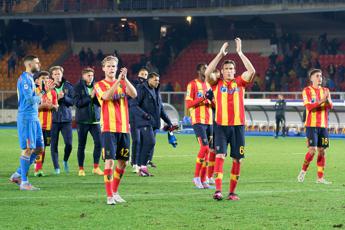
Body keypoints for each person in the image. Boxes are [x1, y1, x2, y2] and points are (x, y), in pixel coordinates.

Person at [205, 38, 256, 201]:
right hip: (220, 126)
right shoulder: (216, 83)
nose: (228, 71)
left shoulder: (240, 82)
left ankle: (232, 192)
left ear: (235, 71)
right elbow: (207, 73)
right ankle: (218, 191)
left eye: (231, 68)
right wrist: (220, 54)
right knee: (220, 156)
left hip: (238, 127)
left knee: (237, 159)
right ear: (222, 71)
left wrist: (240, 52)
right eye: (226, 68)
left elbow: (252, 71)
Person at [94, 56, 137, 205]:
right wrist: (118, 81)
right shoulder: (99, 84)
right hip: (108, 128)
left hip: (124, 128)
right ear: (103, 68)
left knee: (123, 163)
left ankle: (115, 191)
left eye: (114, 66)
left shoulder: (123, 83)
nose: (112, 69)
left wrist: (125, 79)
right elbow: (106, 96)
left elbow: (134, 94)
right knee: (110, 162)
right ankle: (109, 196)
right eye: (109, 66)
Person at [9, 55, 43, 190]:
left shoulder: (30, 79)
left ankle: (17, 174)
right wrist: (41, 95)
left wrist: (43, 91)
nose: (39, 64)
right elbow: (29, 100)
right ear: (29, 64)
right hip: (27, 118)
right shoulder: (24, 79)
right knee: (28, 149)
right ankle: (24, 182)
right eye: (37, 62)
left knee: (39, 148)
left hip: (34, 117)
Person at [131, 72, 173, 176]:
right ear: (149, 79)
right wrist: (145, 115)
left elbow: (161, 109)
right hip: (143, 121)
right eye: (155, 80)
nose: (157, 82)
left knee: (148, 144)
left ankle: (142, 168)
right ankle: (140, 166)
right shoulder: (141, 89)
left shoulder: (156, 90)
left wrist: (169, 122)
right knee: (150, 142)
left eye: (158, 80)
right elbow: (133, 105)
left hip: (153, 123)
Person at [297, 69, 333, 184]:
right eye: (317, 76)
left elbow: (330, 106)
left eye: (321, 76)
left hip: (323, 125)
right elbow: (309, 107)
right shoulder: (306, 90)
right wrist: (323, 100)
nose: (320, 78)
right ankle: (303, 171)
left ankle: (320, 178)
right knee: (312, 150)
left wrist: (327, 101)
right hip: (311, 125)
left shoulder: (326, 90)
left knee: (322, 151)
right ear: (311, 78)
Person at [185, 63, 215, 189]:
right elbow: (188, 104)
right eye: (204, 68)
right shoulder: (192, 84)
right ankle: (196, 177)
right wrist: (203, 97)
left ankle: (204, 180)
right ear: (198, 71)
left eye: (208, 68)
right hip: (198, 120)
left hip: (209, 121)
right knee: (204, 148)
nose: (206, 70)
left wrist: (212, 101)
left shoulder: (209, 85)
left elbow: (214, 106)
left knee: (208, 151)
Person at [73, 67, 103, 177]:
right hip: (82, 121)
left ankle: (96, 167)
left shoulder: (97, 86)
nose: (90, 77)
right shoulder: (78, 87)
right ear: (83, 76)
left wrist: (97, 99)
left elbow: (101, 103)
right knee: (82, 145)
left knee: (99, 143)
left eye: (92, 75)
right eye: (88, 75)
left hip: (95, 120)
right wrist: (90, 97)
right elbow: (77, 103)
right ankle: (81, 169)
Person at [50, 66, 74, 174]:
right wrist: (57, 99)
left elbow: (73, 102)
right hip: (53, 120)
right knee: (53, 145)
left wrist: (64, 97)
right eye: (55, 74)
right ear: (52, 76)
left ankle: (65, 160)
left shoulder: (68, 86)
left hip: (66, 120)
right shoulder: (48, 87)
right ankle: (57, 168)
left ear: (62, 74)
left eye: (58, 73)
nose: (57, 76)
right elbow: (46, 102)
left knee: (69, 144)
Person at [33, 71, 58, 177]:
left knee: (44, 148)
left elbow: (56, 107)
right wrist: (42, 106)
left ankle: (38, 166)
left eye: (47, 78)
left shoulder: (53, 92)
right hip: (35, 124)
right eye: (43, 78)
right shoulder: (34, 91)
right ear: (37, 81)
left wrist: (51, 106)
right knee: (36, 147)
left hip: (48, 125)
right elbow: (30, 107)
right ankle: (37, 168)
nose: (46, 80)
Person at [129, 67, 149, 173]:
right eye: (142, 74)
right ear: (138, 74)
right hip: (134, 117)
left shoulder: (148, 87)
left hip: (144, 118)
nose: (143, 76)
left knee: (144, 141)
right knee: (136, 140)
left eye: (146, 74)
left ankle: (141, 162)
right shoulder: (133, 86)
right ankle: (135, 163)